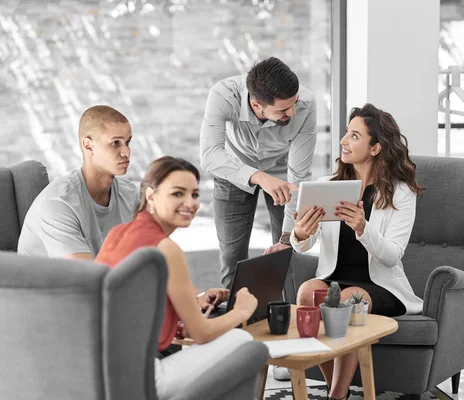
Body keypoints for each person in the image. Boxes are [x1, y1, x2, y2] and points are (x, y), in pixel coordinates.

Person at [291, 104, 425, 400]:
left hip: (381, 286)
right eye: (345, 134)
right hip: (335, 278)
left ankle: (336, 396)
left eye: (354, 136)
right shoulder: (329, 186)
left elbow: (392, 255)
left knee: (349, 299)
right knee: (306, 293)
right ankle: (336, 388)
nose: (343, 142)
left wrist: (364, 229)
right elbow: (307, 243)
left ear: (375, 147)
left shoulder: (401, 193)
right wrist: (300, 233)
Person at [96, 156, 258, 400]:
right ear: (151, 196)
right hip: (138, 381)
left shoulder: (118, 233)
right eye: (177, 194)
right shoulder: (166, 248)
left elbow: (127, 306)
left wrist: (178, 321)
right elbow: (201, 333)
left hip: (99, 375)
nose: (189, 203)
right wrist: (242, 311)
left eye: (194, 194)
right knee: (243, 340)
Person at [200, 56, 318, 289]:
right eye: (284, 109)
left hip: (283, 171)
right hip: (232, 169)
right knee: (232, 257)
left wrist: (287, 238)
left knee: (286, 254)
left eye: (293, 104)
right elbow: (210, 155)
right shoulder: (223, 94)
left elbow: (299, 176)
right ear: (256, 105)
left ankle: (281, 314)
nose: (293, 113)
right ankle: (233, 318)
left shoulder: (306, 103)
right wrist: (259, 177)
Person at [18, 105, 138, 260]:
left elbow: (153, 253)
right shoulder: (58, 203)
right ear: (88, 146)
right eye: (115, 143)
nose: (126, 152)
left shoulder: (130, 194)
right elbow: (84, 276)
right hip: (56, 283)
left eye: (127, 142)